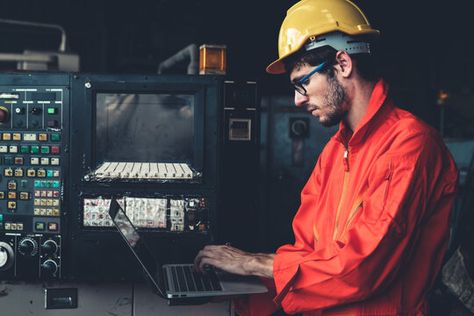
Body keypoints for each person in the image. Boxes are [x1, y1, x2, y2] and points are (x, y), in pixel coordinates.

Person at [194, 0, 459, 314]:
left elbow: (362, 269)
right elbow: (306, 252)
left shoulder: (409, 146)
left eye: (302, 83)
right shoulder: (335, 152)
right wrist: (237, 293)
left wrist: (253, 263)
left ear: (343, 64)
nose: (296, 100)